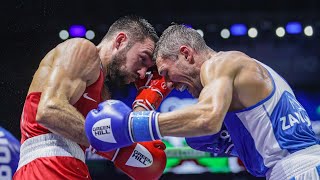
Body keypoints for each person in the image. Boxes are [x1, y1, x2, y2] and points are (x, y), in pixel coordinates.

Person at [85, 24, 320, 180]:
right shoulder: (238, 82)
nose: (169, 86)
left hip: (298, 171)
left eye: (167, 73)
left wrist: (132, 126)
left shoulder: (219, 64)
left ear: (186, 54)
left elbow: (207, 119)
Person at [13, 15, 170, 180]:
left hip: (71, 167)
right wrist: (118, 149)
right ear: (120, 41)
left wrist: (143, 106)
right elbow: (49, 110)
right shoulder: (83, 49)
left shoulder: (102, 93)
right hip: (46, 166)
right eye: (142, 59)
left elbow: (99, 137)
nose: (142, 73)